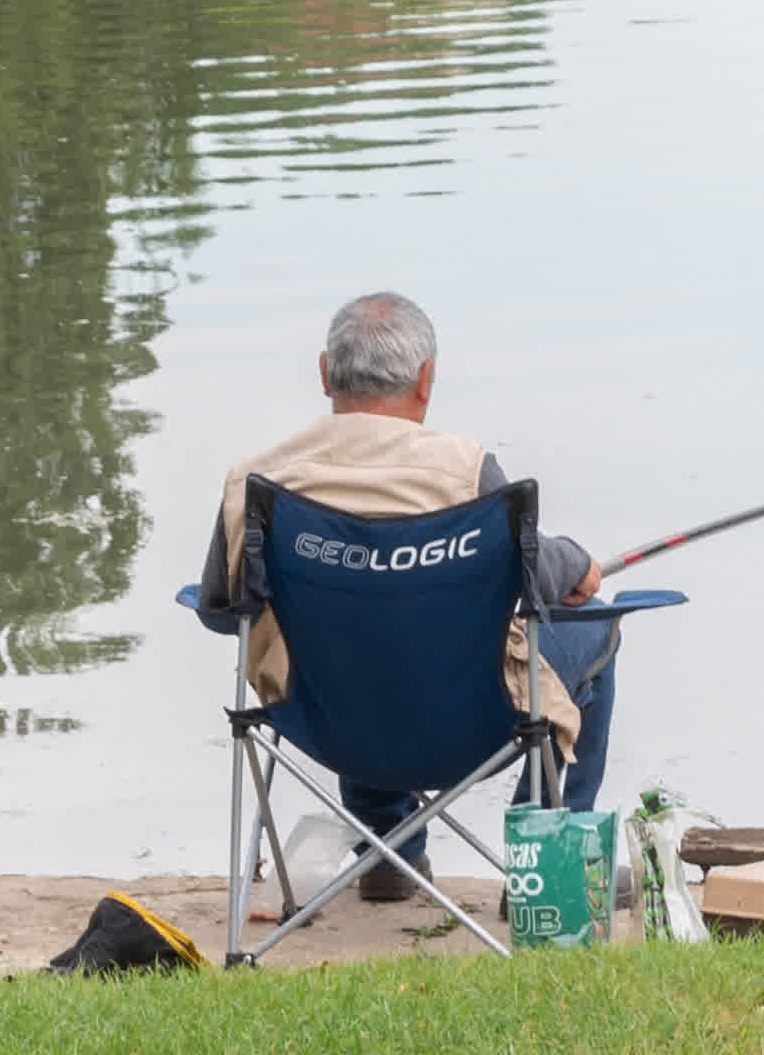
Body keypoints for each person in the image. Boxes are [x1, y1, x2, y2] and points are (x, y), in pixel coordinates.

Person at [190, 290, 622, 903]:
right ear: (426, 379)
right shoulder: (464, 473)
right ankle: (546, 876)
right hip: (475, 723)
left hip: (325, 721)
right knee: (598, 632)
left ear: (323, 373)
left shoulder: (257, 483)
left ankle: (389, 852)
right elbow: (532, 573)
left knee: (351, 636)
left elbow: (219, 612)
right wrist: (577, 562)